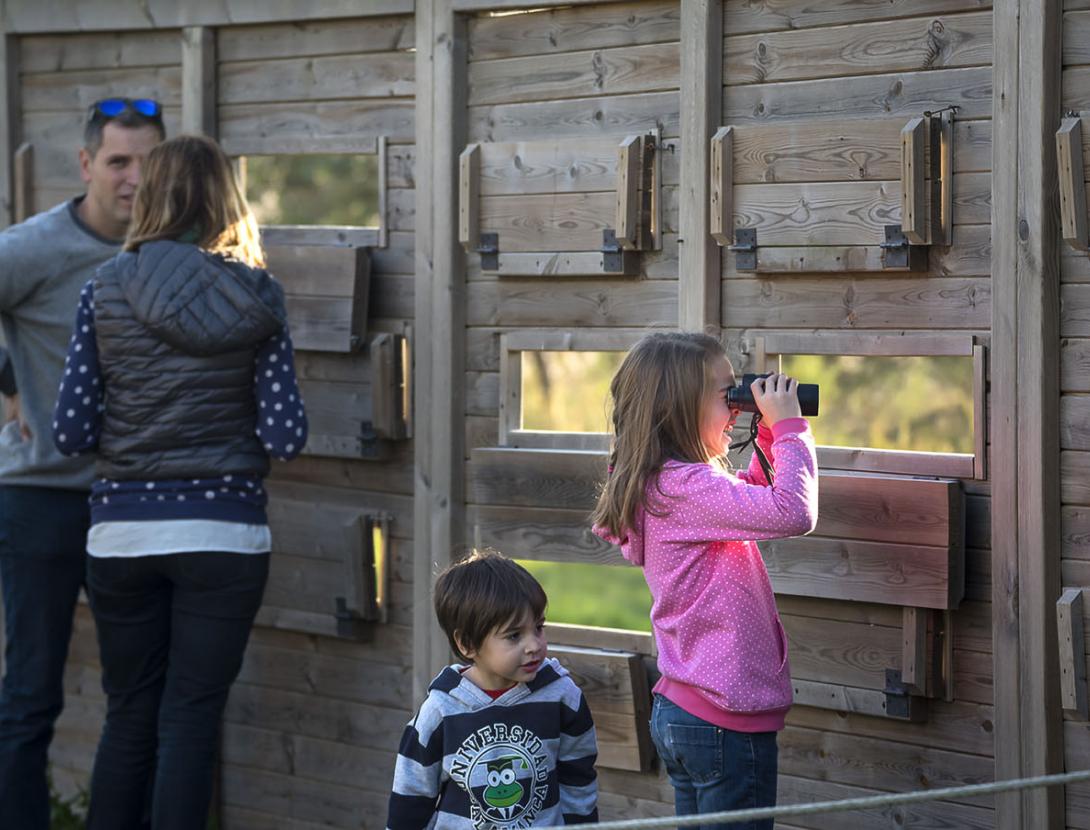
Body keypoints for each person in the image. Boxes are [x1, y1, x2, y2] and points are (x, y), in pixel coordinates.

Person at [52, 133, 307, 830]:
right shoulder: (260, 295)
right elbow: (286, 435)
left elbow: (71, 430)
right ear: (222, 198)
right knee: (191, 717)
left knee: (129, 713)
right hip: (224, 536)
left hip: (122, 535)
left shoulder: (102, 289)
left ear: (152, 196)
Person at [0, 97, 163, 830]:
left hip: (136, 504)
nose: (135, 177)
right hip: (41, 499)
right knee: (33, 693)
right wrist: (7, 383)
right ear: (87, 164)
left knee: (141, 696)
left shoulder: (171, 248)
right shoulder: (32, 248)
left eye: (149, 160)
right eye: (120, 161)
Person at [591, 332, 819, 830]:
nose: (740, 403)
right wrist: (791, 427)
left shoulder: (666, 483)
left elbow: (756, 504)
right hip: (724, 719)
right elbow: (794, 512)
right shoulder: (687, 487)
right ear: (678, 407)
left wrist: (766, 436)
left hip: (686, 712)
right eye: (727, 394)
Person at [386, 549, 599, 830]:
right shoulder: (440, 711)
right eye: (514, 635)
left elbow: (579, 781)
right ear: (467, 644)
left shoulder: (562, 697)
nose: (534, 645)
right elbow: (411, 796)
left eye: (538, 627)